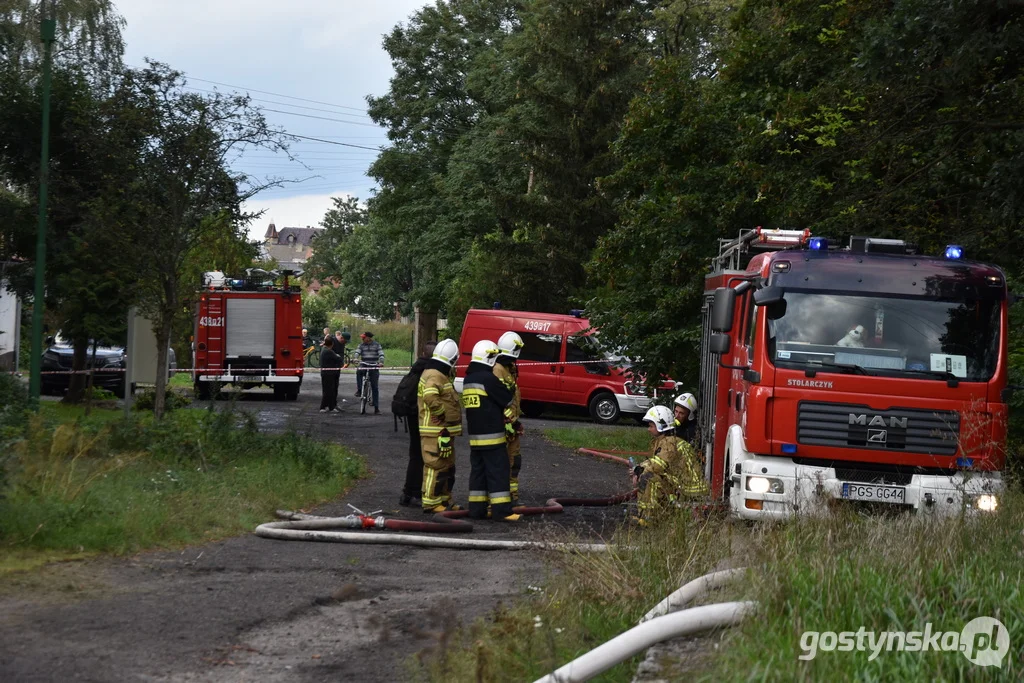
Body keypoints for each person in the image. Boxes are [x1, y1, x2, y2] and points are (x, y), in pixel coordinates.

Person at [463, 340, 519, 522]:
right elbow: (507, 399)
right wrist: (510, 388)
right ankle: (502, 511)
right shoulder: (488, 379)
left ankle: (476, 510)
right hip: (493, 437)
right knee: (498, 472)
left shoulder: (468, 379)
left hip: (475, 438)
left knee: (478, 473)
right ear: (488, 357)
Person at [632, 405, 708, 523]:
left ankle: (649, 517)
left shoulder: (670, 442)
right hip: (682, 483)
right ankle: (651, 514)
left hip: (689, 488)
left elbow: (658, 465)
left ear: (661, 426)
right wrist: (641, 468)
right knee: (649, 476)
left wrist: (639, 469)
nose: (649, 429)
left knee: (649, 479)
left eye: (651, 426)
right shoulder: (666, 440)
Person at [418, 339, 463, 513]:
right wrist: (440, 413)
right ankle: (431, 502)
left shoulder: (436, 373)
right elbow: (430, 396)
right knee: (435, 466)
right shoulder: (435, 375)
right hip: (435, 432)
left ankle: (444, 501)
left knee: (446, 468)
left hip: (442, 432)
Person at [398, 341, 437, 507]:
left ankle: (408, 493)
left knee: (414, 454)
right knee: (421, 456)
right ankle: (414, 493)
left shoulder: (417, 366)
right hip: (420, 417)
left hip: (412, 415)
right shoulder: (429, 371)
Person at [494, 331, 525, 502]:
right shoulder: (497, 370)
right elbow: (499, 400)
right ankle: (501, 497)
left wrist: (515, 422)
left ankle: (512, 495)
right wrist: (511, 421)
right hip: (503, 425)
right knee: (501, 462)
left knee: (514, 461)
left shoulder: (509, 369)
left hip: (512, 423)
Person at [354, 331, 385, 414]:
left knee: (375, 387)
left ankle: (376, 408)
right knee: (359, 371)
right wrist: (356, 358)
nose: (362, 339)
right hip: (364, 364)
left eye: (364, 337)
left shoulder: (377, 345)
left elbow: (381, 353)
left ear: (368, 338)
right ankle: (360, 390)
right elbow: (357, 352)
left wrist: (381, 361)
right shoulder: (361, 345)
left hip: (374, 365)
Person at [319, 336, 342, 413]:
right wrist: (338, 356)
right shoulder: (329, 351)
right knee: (329, 391)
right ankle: (325, 407)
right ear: (332, 344)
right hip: (329, 373)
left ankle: (328, 406)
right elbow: (338, 359)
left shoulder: (324, 349)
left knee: (328, 390)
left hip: (326, 373)